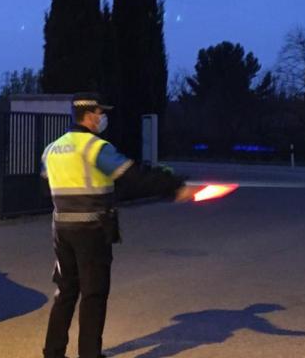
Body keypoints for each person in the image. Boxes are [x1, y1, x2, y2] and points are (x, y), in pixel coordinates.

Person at [41, 92, 196, 358]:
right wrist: (173, 188)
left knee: (65, 291)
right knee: (94, 293)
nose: (103, 118)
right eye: (100, 113)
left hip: (61, 229)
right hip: (91, 229)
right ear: (89, 115)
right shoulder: (95, 147)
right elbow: (132, 176)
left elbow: (48, 186)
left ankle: (53, 352)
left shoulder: (52, 148)